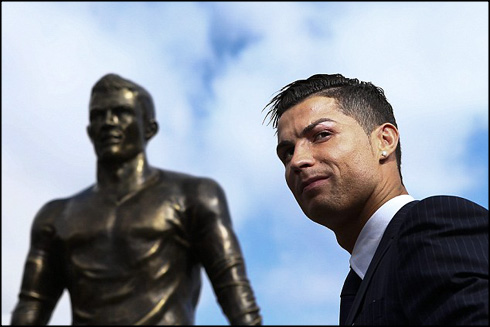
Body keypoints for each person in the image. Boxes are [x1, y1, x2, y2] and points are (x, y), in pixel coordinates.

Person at [11, 73, 262, 325]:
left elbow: (234, 292)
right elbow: (32, 305)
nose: (108, 122)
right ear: (90, 132)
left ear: (150, 128)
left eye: (121, 112)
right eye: (98, 115)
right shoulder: (56, 217)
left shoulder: (194, 196)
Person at [263, 73, 488, 325]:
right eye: (287, 153)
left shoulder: (431, 227)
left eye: (321, 135)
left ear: (385, 140)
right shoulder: (359, 282)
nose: (297, 161)